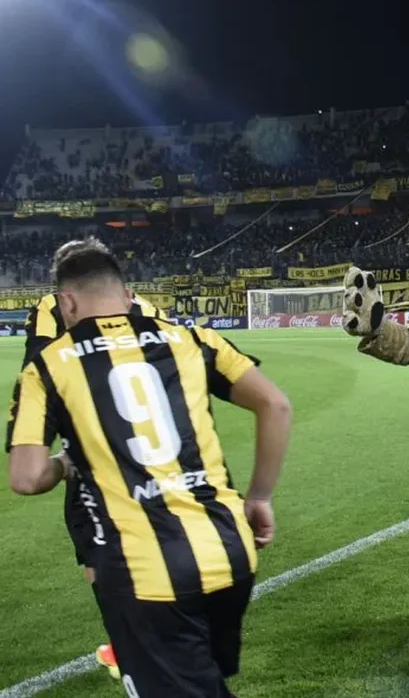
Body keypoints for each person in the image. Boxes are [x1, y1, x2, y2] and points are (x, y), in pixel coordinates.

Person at [7, 244, 293, 697]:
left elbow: (25, 478)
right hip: (230, 553)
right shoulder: (192, 338)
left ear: (66, 303)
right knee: (202, 678)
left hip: (146, 576)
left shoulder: (47, 367)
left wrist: (64, 464)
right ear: (127, 295)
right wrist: (258, 498)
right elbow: (276, 405)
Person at [20, 238, 173, 680]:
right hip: (161, 447)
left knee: (96, 547)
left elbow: (40, 368)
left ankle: (131, 645)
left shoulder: (52, 306)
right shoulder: (143, 304)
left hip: (94, 448)